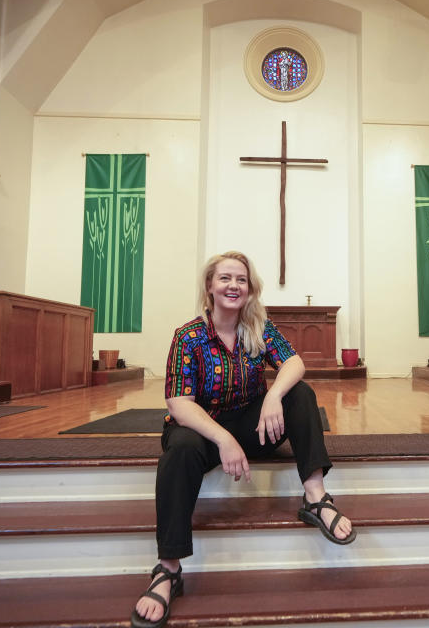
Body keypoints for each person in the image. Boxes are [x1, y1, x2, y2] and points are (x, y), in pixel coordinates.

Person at [131, 250, 355, 628]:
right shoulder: (188, 336)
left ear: (250, 290)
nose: (234, 286)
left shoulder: (258, 327)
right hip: (200, 429)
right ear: (210, 287)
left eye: (241, 280)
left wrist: (271, 396)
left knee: (299, 395)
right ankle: (168, 569)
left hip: (251, 424)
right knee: (180, 449)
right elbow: (178, 403)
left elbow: (294, 363)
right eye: (225, 278)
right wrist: (223, 439)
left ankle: (315, 498)